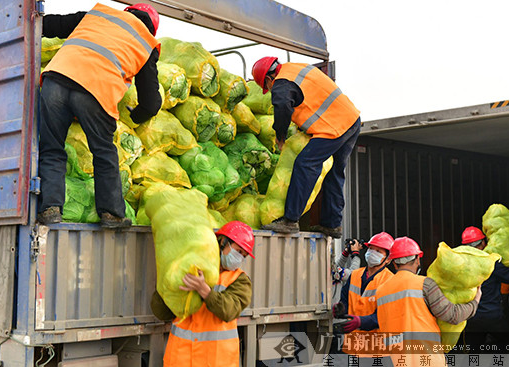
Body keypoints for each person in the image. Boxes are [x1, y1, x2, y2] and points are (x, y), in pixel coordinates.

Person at [38, 3, 162, 228]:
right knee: (103, 151)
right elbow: (151, 102)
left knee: (52, 148)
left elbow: (51, 25)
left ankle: (50, 208)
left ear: (127, 12)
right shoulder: (146, 41)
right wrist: (136, 116)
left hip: (55, 79)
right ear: (152, 29)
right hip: (95, 89)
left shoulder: (100, 15)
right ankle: (112, 213)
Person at [252, 57, 361, 238]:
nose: (270, 90)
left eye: (267, 88)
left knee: (305, 164)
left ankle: (290, 220)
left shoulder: (281, 82)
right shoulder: (296, 68)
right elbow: (311, 98)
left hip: (333, 128)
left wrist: (280, 136)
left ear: (269, 79)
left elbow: (282, 106)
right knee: (335, 172)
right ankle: (332, 224)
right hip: (351, 120)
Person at [151, 221, 255, 367]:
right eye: (238, 251)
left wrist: (204, 291)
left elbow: (229, 310)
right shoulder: (191, 268)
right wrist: (165, 284)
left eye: (244, 256)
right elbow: (162, 313)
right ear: (223, 242)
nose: (239, 259)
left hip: (217, 362)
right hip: (181, 360)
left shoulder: (240, 280)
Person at [376, 237, 481, 367]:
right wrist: (475, 302)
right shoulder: (424, 284)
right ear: (417, 259)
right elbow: (453, 315)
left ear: (394, 263)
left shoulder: (380, 291)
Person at [461, 226, 509, 351]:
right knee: (507, 346)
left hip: (471, 317)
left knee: (473, 353)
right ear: (483, 243)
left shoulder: (460, 265)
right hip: (493, 317)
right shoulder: (491, 263)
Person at [339, 232, 395, 333]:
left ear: (388, 259)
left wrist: (361, 322)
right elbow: (345, 301)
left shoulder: (391, 281)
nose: (372, 253)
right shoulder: (355, 274)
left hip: (376, 345)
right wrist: (340, 309)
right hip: (354, 344)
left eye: (378, 251)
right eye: (371, 249)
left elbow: (386, 315)